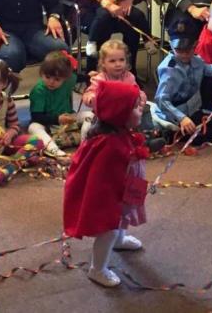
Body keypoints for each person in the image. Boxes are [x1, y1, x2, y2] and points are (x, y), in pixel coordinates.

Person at [63, 82, 148, 287]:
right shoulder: (109, 144)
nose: (141, 110)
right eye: (136, 107)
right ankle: (97, 269)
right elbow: (101, 179)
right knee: (108, 229)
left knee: (122, 219)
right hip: (107, 197)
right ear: (120, 114)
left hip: (120, 192)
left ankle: (120, 240)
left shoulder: (120, 133)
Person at [152, 24, 212, 146]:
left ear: (195, 45)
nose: (185, 54)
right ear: (171, 45)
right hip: (173, 113)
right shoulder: (169, 69)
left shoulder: (197, 60)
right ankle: (168, 132)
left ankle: (182, 130)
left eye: (189, 49)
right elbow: (161, 100)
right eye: (179, 50)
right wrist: (182, 118)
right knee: (201, 137)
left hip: (192, 109)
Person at [28, 51, 91, 162]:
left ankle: (84, 144)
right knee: (33, 127)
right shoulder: (39, 91)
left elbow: (80, 78)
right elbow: (36, 117)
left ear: (65, 78)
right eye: (47, 77)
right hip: (47, 123)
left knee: (90, 115)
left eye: (57, 79)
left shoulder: (69, 79)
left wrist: (90, 77)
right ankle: (54, 150)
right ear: (41, 73)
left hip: (68, 117)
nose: (51, 82)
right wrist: (57, 119)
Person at [82, 39, 146, 109]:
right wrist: (92, 98)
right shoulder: (99, 79)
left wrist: (139, 99)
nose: (118, 64)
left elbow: (139, 93)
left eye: (121, 60)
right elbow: (88, 95)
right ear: (103, 63)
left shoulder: (129, 77)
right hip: (106, 115)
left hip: (126, 114)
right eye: (112, 61)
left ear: (126, 60)